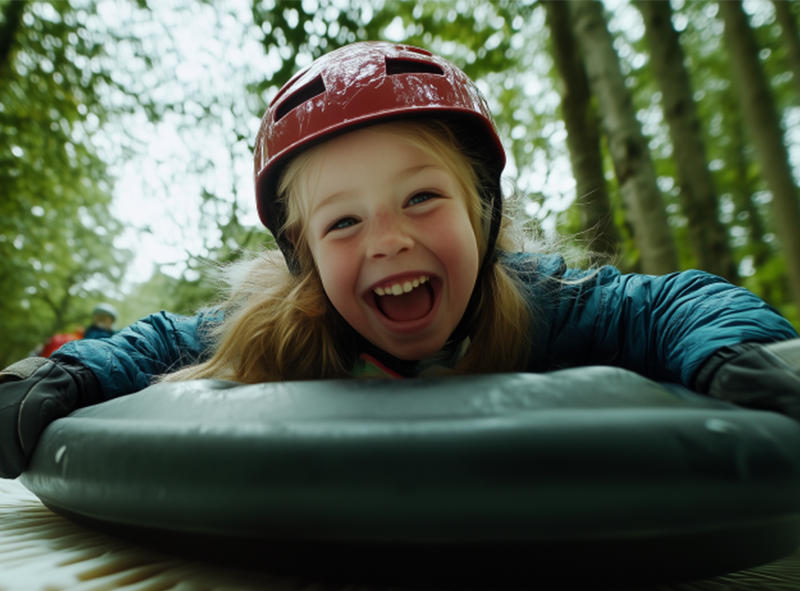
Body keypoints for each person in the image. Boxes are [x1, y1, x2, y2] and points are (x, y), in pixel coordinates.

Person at [1, 41, 799, 480]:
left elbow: (661, 304)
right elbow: (162, 341)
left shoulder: (541, 300)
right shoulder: (289, 321)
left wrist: (749, 351)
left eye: (421, 199)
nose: (387, 239)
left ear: (482, 214)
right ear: (304, 257)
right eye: (343, 221)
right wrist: (62, 376)